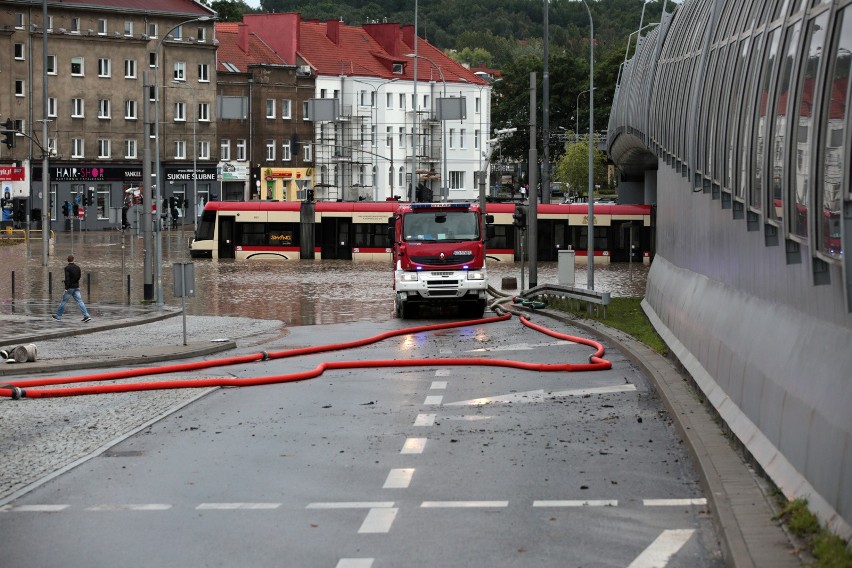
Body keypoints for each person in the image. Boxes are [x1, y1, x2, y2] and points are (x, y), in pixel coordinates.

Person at [52, 255, 92, 322]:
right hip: (76, 287)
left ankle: (58, 316)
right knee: (80, 301)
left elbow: (67, 278)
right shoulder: (78, 267)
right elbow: (79, 277)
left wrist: (66, 287)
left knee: (63, 302)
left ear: (67, 260)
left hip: (70, 288)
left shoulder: (67, 268)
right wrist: (75, 282)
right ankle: (86, 315)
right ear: (74, 259)